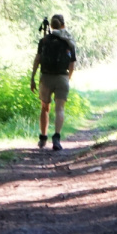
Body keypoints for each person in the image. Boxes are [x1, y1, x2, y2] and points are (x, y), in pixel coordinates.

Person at [30, 14, 77, 151]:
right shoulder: (68, 41)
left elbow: (37, 60)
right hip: (62, 77)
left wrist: (32, 77)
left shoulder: (44, 40)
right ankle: (56, 137)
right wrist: (68, 78)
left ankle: (43, 137)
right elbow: (72, 64)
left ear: (50, 25)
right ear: (63, 25)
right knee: (59, 109)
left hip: (46, 77)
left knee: (45, 108)